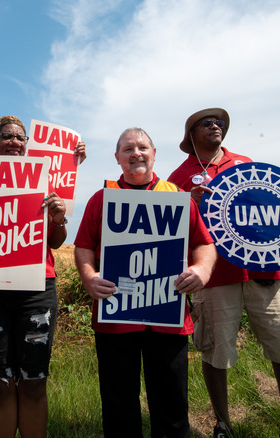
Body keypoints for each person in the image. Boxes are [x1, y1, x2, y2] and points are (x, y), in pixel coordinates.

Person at [168, 108, 280, 438]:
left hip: (265, 272)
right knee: (216, 352)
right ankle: (222, 424)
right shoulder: (177, 178)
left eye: (219, 122)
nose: (216, 126)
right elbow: (173, 232)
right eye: (207, 123)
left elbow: (271, 206)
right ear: (191, 134)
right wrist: (187, 204)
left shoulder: (246, 163)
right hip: (215, 277)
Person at [74, 127, 217, 438]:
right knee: (118, 403)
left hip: (168, 318)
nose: (135, 153)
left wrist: (202, 271)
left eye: (142, 147)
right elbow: (83, 245)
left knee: (171, 403)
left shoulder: (178, 198)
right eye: (127, 149)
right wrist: (89, 276)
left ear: (154, 154)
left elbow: (204, 244)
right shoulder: (102, 199)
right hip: (115, 317)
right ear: (117, 158)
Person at [0, 115, 77, 438]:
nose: (13, 141)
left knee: (34, 382)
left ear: (26, 145)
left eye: (20, 137)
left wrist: (59, 219)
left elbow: (55, 241)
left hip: (37, 289)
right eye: (4, 135)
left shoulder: (43, 182)